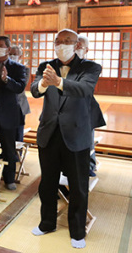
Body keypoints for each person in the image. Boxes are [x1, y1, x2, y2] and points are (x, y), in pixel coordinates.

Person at [30, 29, 102, 249]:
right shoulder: (46, 66)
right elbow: (34, 90)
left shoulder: (90, 67)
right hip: (49, 133)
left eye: (67, 41)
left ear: (76, 44)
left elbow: (84, 90)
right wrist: (44, 83)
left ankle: (78, 231)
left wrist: (59, 81)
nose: (62, 45)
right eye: (58, 41)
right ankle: (47, 223)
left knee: (78, 186)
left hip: (76, 133)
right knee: (48, 183)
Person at [0, 36, 27, 190]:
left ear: (8, 49)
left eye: (1, 45)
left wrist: (6, 79)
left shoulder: (18, 68)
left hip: (7, 112)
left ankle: (9, 179)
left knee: (8, 148)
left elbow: (20, 87)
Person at [76, 34, 106, 176]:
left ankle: (90, 165)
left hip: (86, 109)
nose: (76, 48)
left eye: (79, 46)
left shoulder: (90, 67)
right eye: (74, 45)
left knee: (87, 140)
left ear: (86, 50)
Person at [9, 45, 31, 141]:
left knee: (18, 132)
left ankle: (18, 154)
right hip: (6, 104)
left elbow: (21, 86)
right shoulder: (3, 68)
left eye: (15, 54)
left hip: (19, 104)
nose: (12, 56)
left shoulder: (24, 69)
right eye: (10, 54)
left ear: (20, 56)